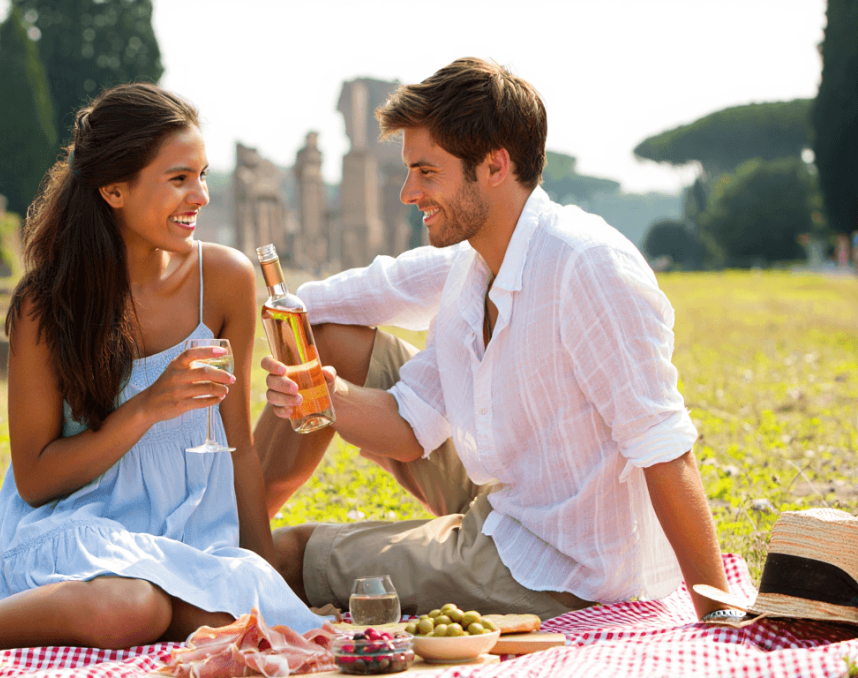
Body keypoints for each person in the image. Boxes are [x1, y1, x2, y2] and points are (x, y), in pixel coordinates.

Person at [257, 57, 738, 625]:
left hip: (561, 566)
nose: (409, 192)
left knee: (285, 557)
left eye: (427, 172)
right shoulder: (471, 268)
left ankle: (213, 561)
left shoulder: (587, 266)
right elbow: (411, 430)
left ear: (494, 166)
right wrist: (324, 392)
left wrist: (718, 616)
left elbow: (662, 445)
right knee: (326, 339)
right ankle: (227, 529)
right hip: (503, 503)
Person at [0, 83, 324, 653]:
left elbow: (239, 451)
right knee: (131, 606)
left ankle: (25, 616)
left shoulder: (225, 280)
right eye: (180, 178)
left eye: (203, 175)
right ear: (114, 189)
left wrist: (263, 578)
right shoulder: (47, 305)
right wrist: (149, 406)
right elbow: (35, 482)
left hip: (187, 543)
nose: (202, 195)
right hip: (76, 532)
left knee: (241, 615)